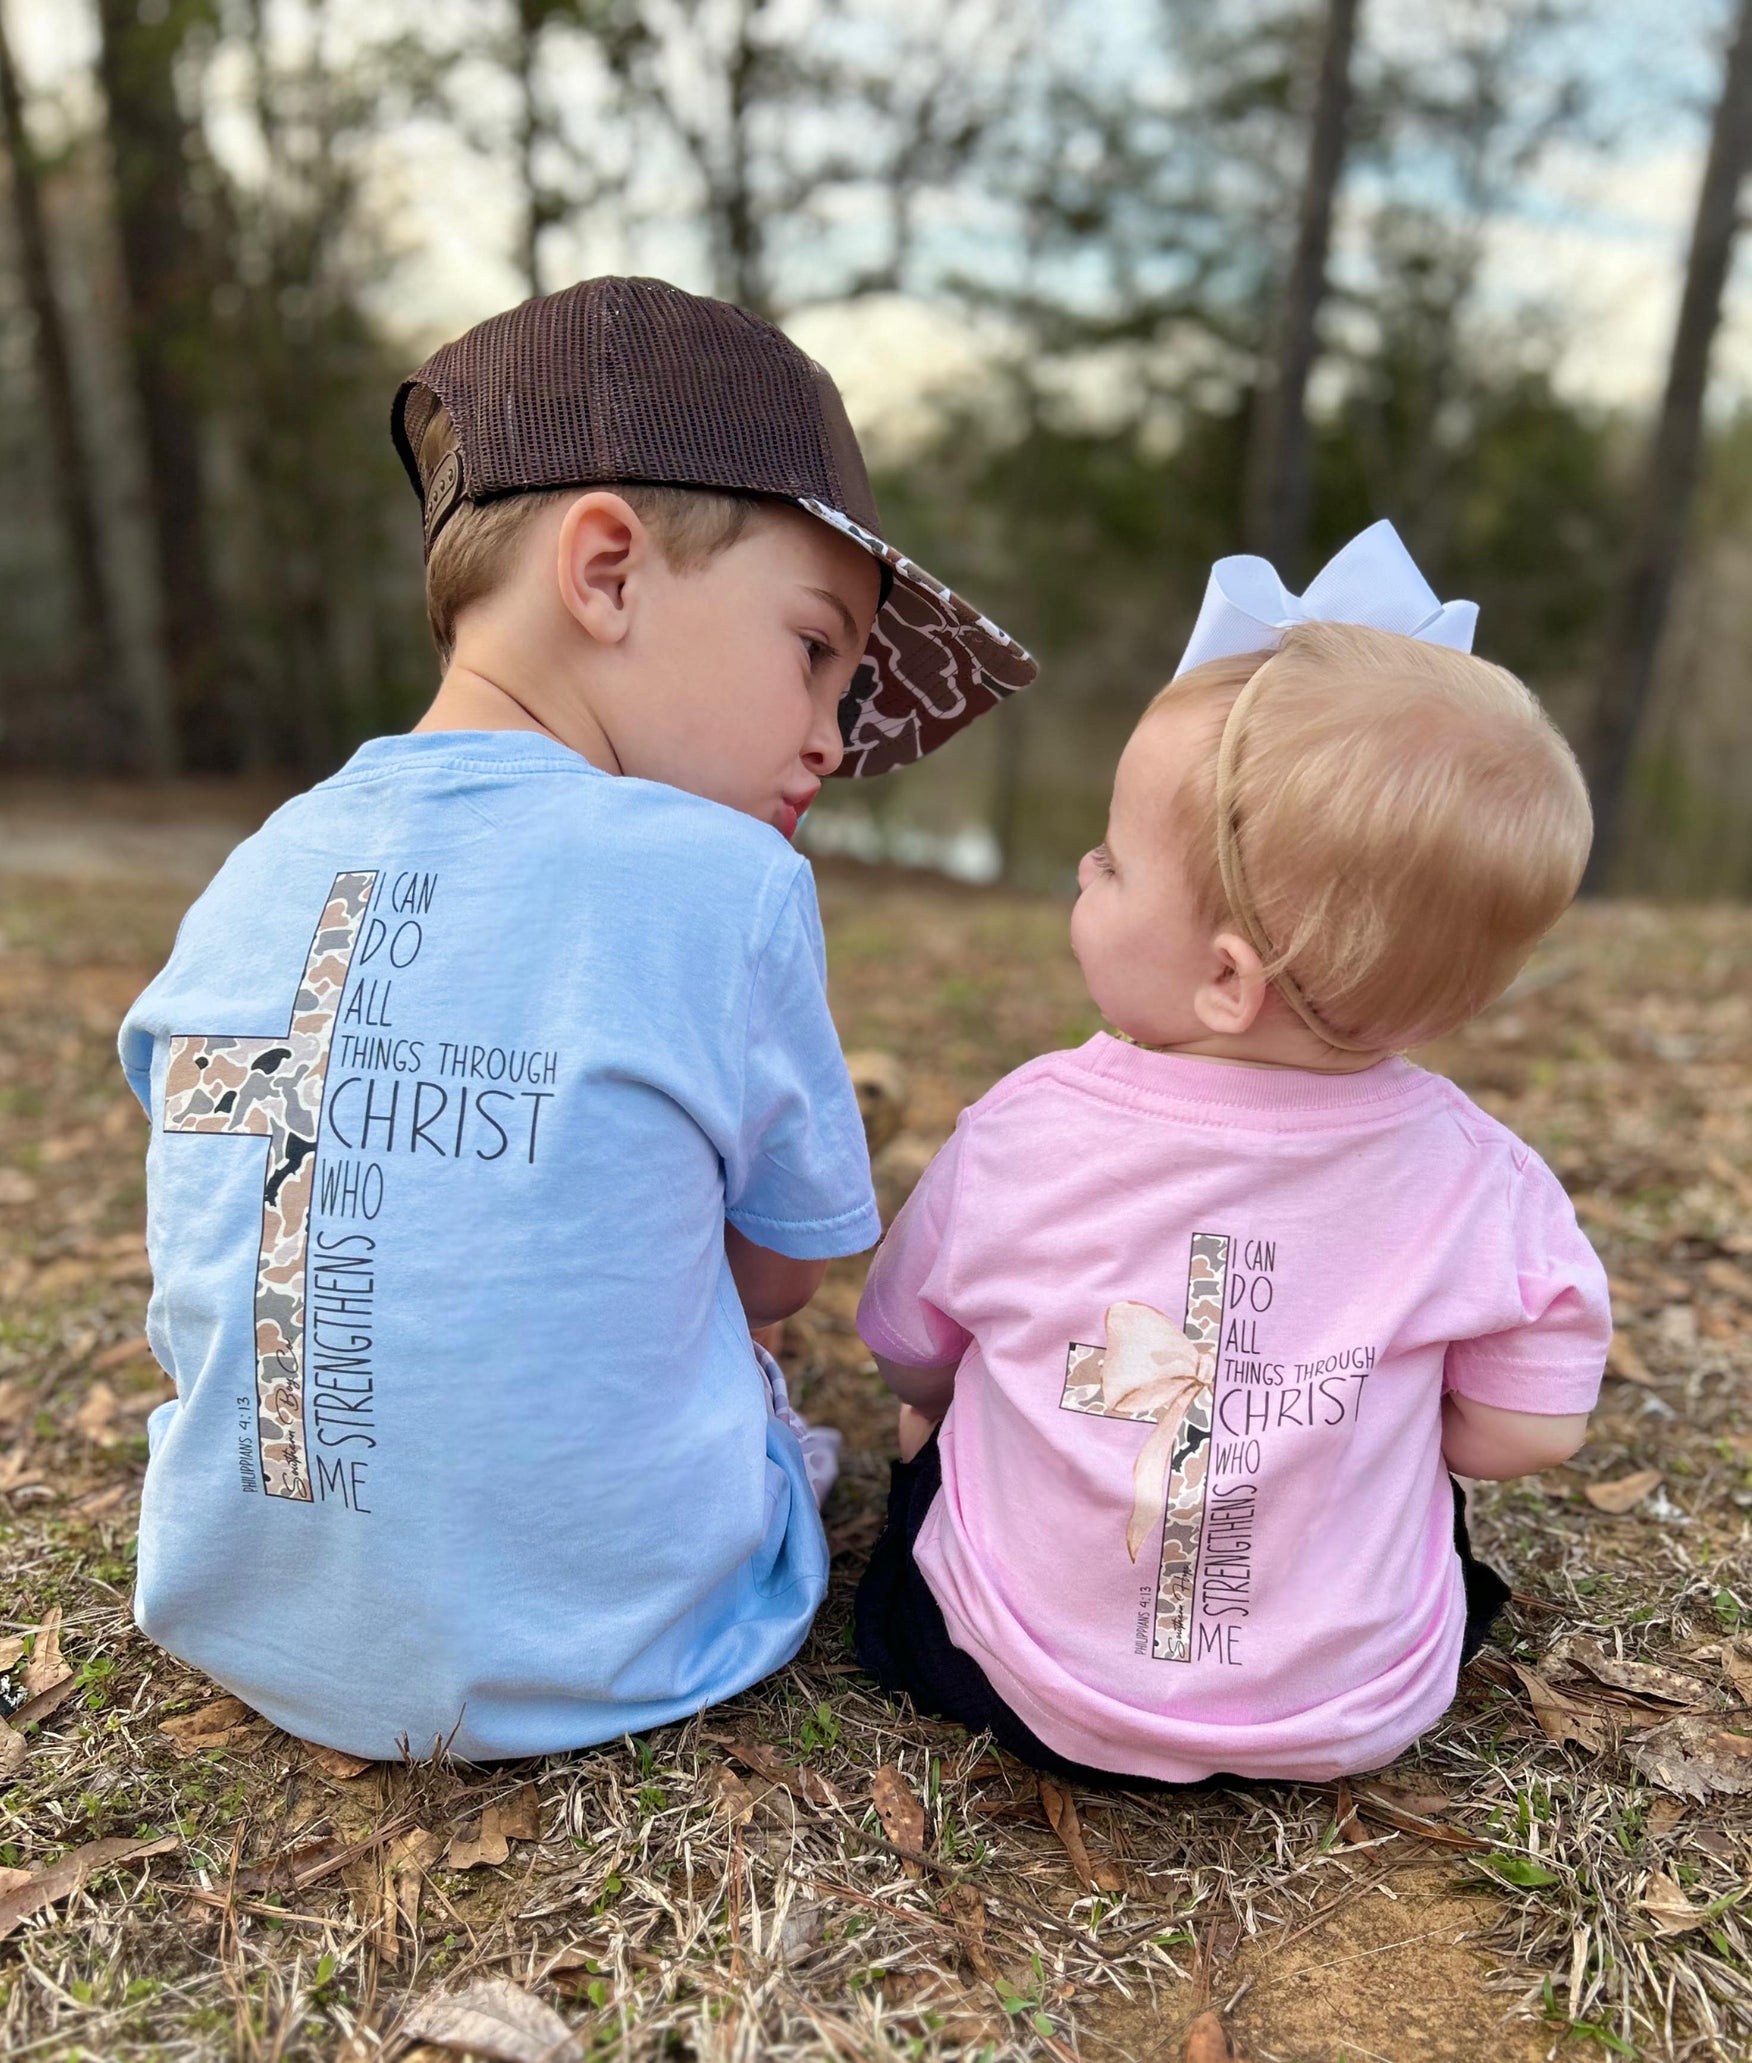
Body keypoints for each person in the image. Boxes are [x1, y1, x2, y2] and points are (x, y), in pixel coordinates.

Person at [116, 276, 1036, 1761]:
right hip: (623, 1644)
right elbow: (783, 1277)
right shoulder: (723, 876)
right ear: (604, 570)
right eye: (815, 646)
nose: (832, 732)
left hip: (249, 1614)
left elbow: (198, 1188)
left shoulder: (260, 858)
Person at [853, 522, 1610, 1786]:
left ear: (1223, 978)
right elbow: (1531, 1431)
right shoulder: (1486, 1179)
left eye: (1109, 860)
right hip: (1351, 1709)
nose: (1082, 874)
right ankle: (1308, 1656)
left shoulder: (1025, 1129)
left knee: (924, 1486)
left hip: (1013, 1676)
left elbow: (908, 1340)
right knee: (1438, 1533)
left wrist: (932, 1400)